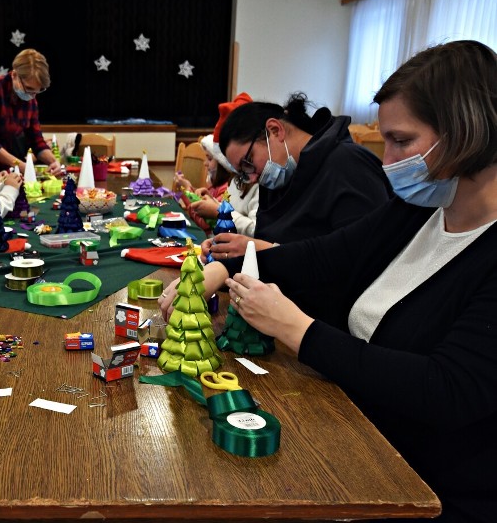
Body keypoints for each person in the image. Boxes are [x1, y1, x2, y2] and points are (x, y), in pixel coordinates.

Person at [161, 40, 497, 523]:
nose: (388, 162)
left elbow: (447, 390)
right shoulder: (417, 210)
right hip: (349, 427)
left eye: (402, 141)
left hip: (422, 487)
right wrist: (223, 269)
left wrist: (297, 330)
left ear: (466, 133)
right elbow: (322, 257)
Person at [203, 92, 391, 260]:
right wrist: (226, 255)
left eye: (248, 161)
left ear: (275, 130)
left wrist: (260, 250)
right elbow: (268, 243)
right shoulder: (276, 180)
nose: (251, 178)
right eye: (243, 173)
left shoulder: (348, 165)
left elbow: (358, 260)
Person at [0, 48, 62, 176]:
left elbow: (36, 141)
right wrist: (21, 165)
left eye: (37, 91)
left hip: (7, 168)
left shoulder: (30, 99)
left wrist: (53, 162)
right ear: (14, 75)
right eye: (29, 89)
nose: (32, 96)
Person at [180, 93, 259, 237]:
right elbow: (233, 209)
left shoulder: (258, 185)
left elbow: (256, 230)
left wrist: (218, 211)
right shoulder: (235, 180)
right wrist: (213, 201)